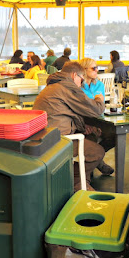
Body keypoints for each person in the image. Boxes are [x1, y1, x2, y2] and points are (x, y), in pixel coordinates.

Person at [33, 61, 106, 191]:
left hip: (43, 136)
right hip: (57, 140)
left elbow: (64, 112)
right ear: (74, 75)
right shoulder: (68, 87)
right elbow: (96, 110)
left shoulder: (54, 85)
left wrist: (83, 126)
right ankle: (72, 182)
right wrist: (99, 98)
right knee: (97, 151)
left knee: (92, 137)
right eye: (81, 80)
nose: (81, 84)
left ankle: (84, 182)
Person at [79, 58, 115, 176]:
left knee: (115, 135)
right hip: (83, 121)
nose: (96, 70)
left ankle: (97, 161)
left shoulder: (99, 84)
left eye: (97, 68)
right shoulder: (77, 85)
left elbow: (100, 105)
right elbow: (81, 107)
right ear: (84, 70)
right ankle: (86, 174)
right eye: (93, 68)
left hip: (99, 119)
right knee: (91, 138)